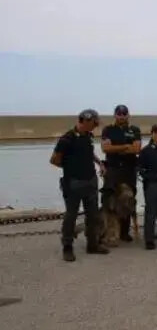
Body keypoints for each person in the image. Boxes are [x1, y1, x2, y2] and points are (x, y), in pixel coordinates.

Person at [52, 109, 109, 262]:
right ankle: (67, 247)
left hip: (90, 181)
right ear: (86, 121)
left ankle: (93, 245)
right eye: (94, 123)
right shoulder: (67, 139)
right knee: (71, 216)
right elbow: (55, 160)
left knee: (93, 215)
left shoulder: (88, 137)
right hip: (74, 183)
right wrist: (72, 168)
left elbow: (89, 153)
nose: (95, 126)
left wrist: (100, 164)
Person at [100, 104, 141, 242]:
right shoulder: (108, 130)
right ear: (115, 115)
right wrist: (125, 146)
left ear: (128, 115)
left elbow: (136, 149)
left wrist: (115, 148)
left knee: (128, 201)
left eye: (124, 114)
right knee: (110, 201)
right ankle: (109, 232)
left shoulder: (134, 130)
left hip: (129, 170)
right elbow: (106, 148)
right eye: (119, 114)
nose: (122, 116)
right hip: (112, 170)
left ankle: (124, 232)